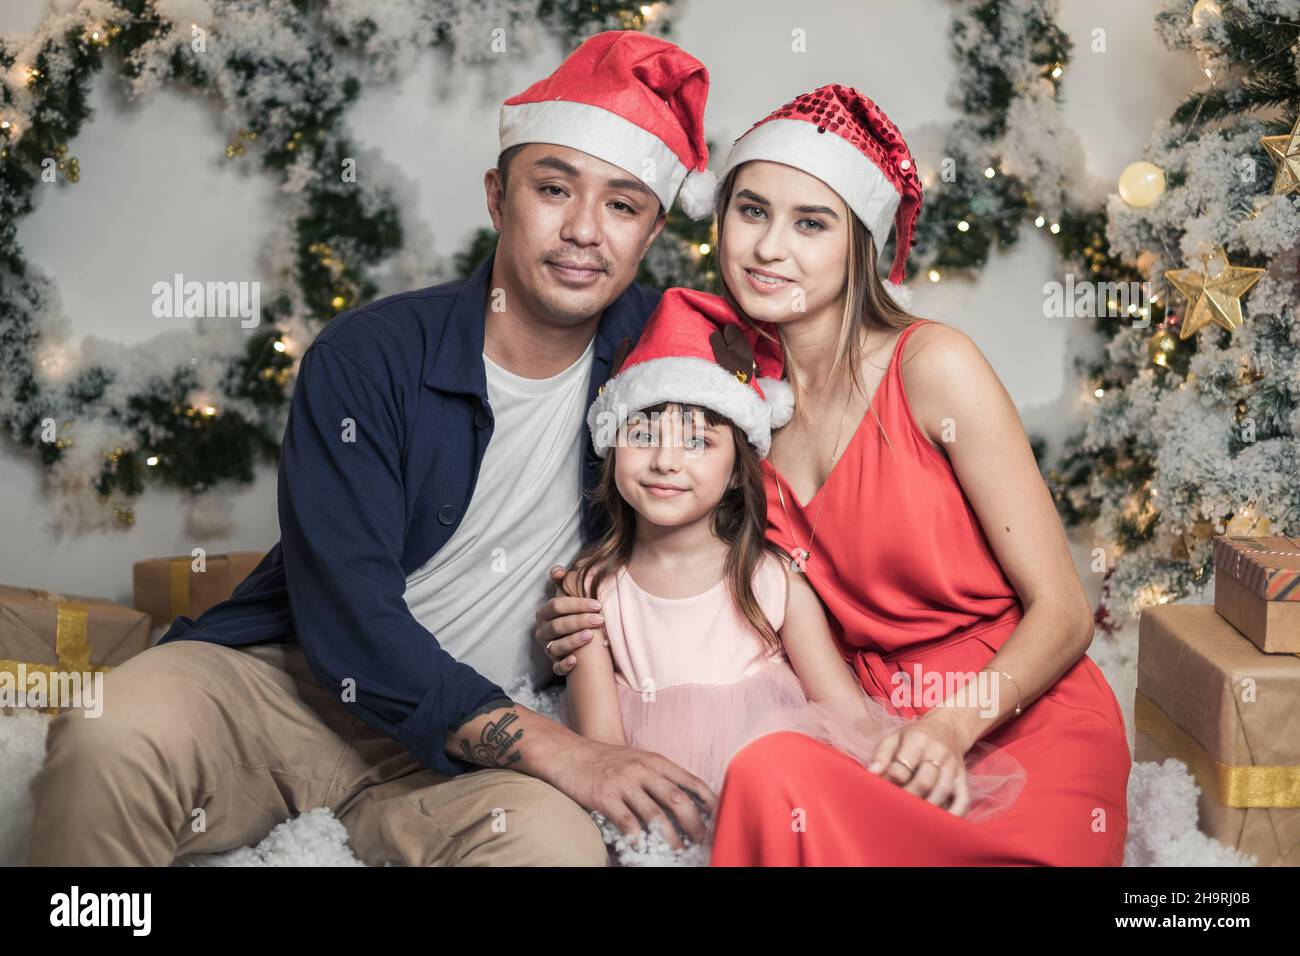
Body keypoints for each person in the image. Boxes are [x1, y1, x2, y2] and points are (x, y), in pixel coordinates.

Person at [26, 30, 721, 867]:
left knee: (552, 849)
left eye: (621, 204)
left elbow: (822, 369)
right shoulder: (368, 357)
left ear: (650, 234)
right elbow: (350, 617)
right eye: (553, 189)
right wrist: (558, 748)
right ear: (499, 198)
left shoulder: (670, 363)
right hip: (289, 686)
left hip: (469, 753)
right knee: (112, 729)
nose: (583, 230)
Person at [535, 84, 1132, 866]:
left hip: (1011, 710)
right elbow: (679, 561)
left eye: (809, 223)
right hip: (857, 721)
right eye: (750, 212)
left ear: (859, 244)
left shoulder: (934, 368)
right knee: (767, 775)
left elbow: (1063, 611)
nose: (768, 248)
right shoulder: (733, 407)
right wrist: (580, 620)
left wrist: (951, 725)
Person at [557, 288, 1026, 856]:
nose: (665, 461)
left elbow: (845, 710)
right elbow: (603, 747)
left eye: (698, 442)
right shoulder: (593, 588)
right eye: (642, 434)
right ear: (612, 446)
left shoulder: (769, 577)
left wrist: (904, 766)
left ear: (737, 471)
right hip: (658, 795)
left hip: (775, 793)